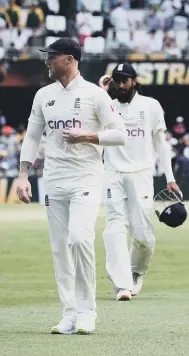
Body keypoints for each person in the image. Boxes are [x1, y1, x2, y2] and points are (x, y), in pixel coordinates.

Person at [15, 38, 127, 334]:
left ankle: (88, 310)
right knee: (60, 248)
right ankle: (69, 312)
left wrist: (89, 136)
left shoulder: (95, 94)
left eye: (52, 57)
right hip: (53, 179)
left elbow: (121, 134)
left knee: (80, 238)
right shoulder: (43, 95)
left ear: (69, 59)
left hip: (86, 177)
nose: (47, 62)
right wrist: (23, 175)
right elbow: (32, 136)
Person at [99, 63, 182, 301]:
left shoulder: (151, 106)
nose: (121, 84)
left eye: (125, 80)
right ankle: (122, 284)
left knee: (143, 236)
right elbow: (87, 117)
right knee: (114, 227)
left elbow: (161, 143)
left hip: (142, 175)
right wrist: (101, 91)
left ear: (134, 81)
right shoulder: (107, 106)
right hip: (113, 173)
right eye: (117, 80)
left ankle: (136, 272)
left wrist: (170, 178)